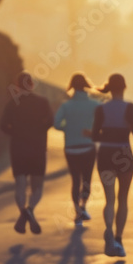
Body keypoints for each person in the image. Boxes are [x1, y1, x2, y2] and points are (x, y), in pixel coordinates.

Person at [90, 74, 133, 256]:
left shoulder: (100, 109)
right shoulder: (131, 108)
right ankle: (119, 240)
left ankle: (109, 232)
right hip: (124, 155)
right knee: (123, 199)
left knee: (109, 199)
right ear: (125, 87)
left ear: (109, 89)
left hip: (105, 155)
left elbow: (95, 136)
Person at [1, 72, 54, 234]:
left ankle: (23, 213)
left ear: (17, 86)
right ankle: (30, 210)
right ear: (31, 85)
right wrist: (39, 131)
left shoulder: (12, 104)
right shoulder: (42, 102)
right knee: (37, 185)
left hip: (18, 148)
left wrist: (16, 133)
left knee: (20, 184)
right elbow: (50, 122)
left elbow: (3, 126)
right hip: (37, 148)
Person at [54, 73, 100, 227]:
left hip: (71, 147)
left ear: (72, 87)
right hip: (87, 146)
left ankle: (77, 212)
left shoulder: (66, 106)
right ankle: (83, 207)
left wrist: (67, 128)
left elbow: (56, 123)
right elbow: (102, 123)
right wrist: (93, 131)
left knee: (75, 181)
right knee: (86, 180)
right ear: (86, 86)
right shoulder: (94, 105)